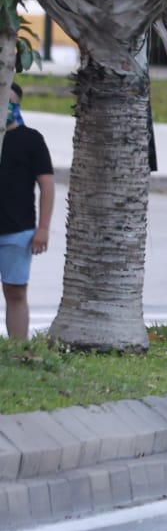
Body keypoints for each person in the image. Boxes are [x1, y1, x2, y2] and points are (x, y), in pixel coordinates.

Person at [0, 82, 54, 340]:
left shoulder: (31, 140)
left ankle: (17, 348)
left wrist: (42, 229)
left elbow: (47, 185)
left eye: (10, 102)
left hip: (18, 232)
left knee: (16, 291)